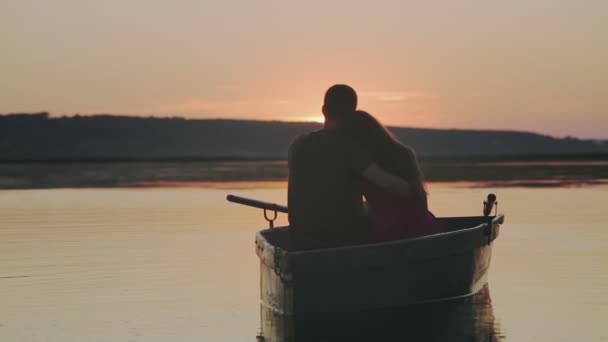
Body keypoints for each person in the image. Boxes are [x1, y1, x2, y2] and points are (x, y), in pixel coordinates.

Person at [288, 85, 413, 250]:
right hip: (343, 240)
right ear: (352, 114)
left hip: (300, 239)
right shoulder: (350, 148)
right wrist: (411, 189)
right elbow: (389, 184)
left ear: (324, 110)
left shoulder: (298, 145)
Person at [340, 110, 444, 242]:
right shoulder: (404, 153)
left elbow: (399, 190)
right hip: (426, 227)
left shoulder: (365, 167)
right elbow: (417, 197)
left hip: (396, 234)